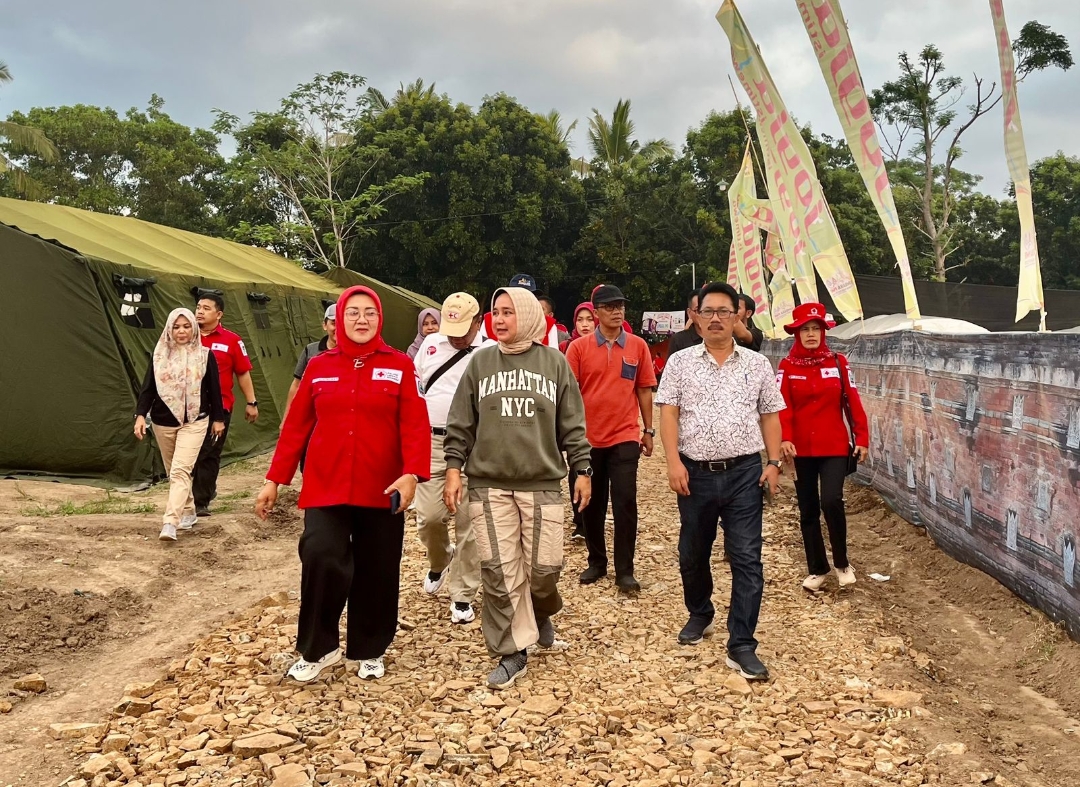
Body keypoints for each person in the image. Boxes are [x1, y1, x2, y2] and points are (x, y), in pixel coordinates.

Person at [254, 285, 431, 683]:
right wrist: (274, 480)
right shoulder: (319, 365)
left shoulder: (400, 365)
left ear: (380, 319)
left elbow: (415, 424)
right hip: (326, 484)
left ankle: (369, 648)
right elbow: (296, 427)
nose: (362, 320)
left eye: (369, 313)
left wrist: (412, 474)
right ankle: (319, 647)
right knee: (320, 554)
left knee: (378, 566)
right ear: (338, 321)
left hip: (383, 486)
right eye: (353, 313)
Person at [443, 286, 592, 690]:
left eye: (509, 311)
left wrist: (582, 468)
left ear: (527, 315)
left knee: (545, 569)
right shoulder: (480, 363)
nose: (501, 319)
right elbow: (460, 423)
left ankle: (540, 612)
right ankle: (512, 652)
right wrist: (454, 469)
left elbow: (572, 423)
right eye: (496, 311)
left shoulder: (554, 363)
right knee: (499, 571)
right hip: (489, 485)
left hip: (542, 483)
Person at [656, 282, 785, 682]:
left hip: (745, 473)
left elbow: (769, 414)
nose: (715, 318)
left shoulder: (756, 365)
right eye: (707, 311)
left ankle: (742, 644)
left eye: (724, 311)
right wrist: (673, 461)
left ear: (738, 316)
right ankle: (700, 612)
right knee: (692, 553)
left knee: (747, 558)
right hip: (695, 474)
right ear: (695, 316)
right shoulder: (680, 363)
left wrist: (774, 461)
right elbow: (670, 414)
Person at [566, 285, 656, 593]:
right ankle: (596, 561)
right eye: (610, 306)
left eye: (620, 306)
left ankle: (625, 570)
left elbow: (644, 388)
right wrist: (570, 436)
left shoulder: (638, 346)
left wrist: (648, 429)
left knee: (625, 501)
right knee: (591, 503)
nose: (617, 311)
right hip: (588, 439)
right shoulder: (577, 349)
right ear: (596, 313)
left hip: (625, 435)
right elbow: (569, 395)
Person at [777, 302, 869, 591]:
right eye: (805, 330)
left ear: (823, 332)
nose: (811, 334)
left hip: (834, 446)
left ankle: (842, 562)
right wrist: (785, 438)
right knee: (808, 509)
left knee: (831, 500)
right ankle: (817, 568)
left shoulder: (839, 362)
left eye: (815, 329)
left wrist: (862, 437)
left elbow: (852, 401)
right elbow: (783, 407)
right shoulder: (787, 366)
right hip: (800, 449)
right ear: (797, 334)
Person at [414, 292, 486, 624]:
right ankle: (440, 560)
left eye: (462, 329)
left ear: (478, 320)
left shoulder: (489, 352)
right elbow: (416, 385)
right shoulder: (430, 346)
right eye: (450, 327)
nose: (454, 336)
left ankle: (462, 594)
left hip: (476, 442)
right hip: (432, 440)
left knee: (470, 522)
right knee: (429, 516)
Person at [134, 309, 225, 541]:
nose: (182, 331)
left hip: (195, 420)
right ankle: (189, 510)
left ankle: (170, 522)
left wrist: (218, 419)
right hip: (163, 421)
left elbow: (214, 390)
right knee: (173, 471)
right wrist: (141, 415)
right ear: (169, 329)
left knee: (180, 470)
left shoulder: (205, 355)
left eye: (186, 326)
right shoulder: (159, 356)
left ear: (193, 328)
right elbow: (149, 388)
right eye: (176, 326)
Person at [193, 294, 259, 518]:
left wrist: (251, 402)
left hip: (219, 409)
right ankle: (202, 490)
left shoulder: (232, 340)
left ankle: (200, 502)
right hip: (188, 407)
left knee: (209, 453)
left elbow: (242, 373)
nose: (200, 312)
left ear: (219, 314)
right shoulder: (185, 336)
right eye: (198, 307)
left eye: (206, 308)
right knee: (191, 454)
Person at [283, 304, 337, 422]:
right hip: (312, 417)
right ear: (324, 325)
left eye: (342, 324)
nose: (338, 329)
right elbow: (296, 385)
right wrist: (286, 419)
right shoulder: (311, 350)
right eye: (333, 323)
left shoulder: (355, 354)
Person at [480, 274, 560, 347]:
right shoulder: (489, 321)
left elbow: (552, 360)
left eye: (528, 295)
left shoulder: (547, 324)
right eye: (517, 295)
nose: (522, 299)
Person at [665, 290, 702, 355]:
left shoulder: (719, 338)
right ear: (689, 313)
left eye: (707, 310)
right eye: (698, 310)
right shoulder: (678, 340)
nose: (703, 313)